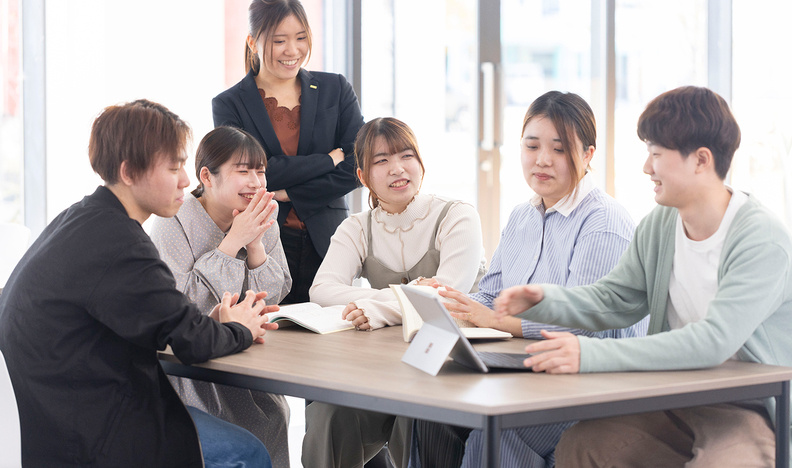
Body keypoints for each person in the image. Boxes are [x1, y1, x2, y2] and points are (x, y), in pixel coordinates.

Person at [495, 86, 790, 467]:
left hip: (748, 407)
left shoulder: (761, 238)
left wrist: (591, 354)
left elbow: (712, 341)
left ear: (701, 160)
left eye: (656, 155)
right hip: (675, 397)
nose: (646, 167)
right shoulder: (661, 223)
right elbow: (617, 298)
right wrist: (545, 301)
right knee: (583, 444)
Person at [0, 100, 275, 467]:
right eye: (174, 167)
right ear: (129, 172)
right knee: (250, 451)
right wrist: (240, 328)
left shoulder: (79, 218)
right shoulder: (120, 243)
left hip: (56, 418)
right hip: (99, 428)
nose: (185, 180)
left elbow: (162, 318)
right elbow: (193, 342)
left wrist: (214, 323)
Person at [414, 91, 648, 468]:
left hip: (590, 383)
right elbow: (491, 296)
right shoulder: (522, 217)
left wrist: (496, 321)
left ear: (588, 155)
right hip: (528, 369)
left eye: (558, 149)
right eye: (532, 145)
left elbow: (587, 327)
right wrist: (449, 299)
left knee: (496, 431)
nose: (542, 159)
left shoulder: (604, 223)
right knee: (429, 411)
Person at [303, 117, 487, 468]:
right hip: (385, 364)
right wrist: (410, 292)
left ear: (420, 163)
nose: (397, 169)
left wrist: (378, 309)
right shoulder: (357, 226)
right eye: (381, 160)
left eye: (406, 156)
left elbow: (448, 297)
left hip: (450, 361)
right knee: (327, 415)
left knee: (413, 414)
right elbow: (322, 290)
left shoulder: (457, 215)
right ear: (362, 177)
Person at [151, 126, 292, 467]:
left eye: (260, 171)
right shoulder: (173, 220)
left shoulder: (263, 218)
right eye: (243, 171)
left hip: (248, 357)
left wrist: (255, 245)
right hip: (192, 367)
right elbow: (183, 307)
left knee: (273, 416)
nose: (256, 182)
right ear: (207, 177)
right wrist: (232, 244)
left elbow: (274, 295)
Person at [213, 0, 365, 305]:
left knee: (334, 342)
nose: (292, 50)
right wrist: (328, 159)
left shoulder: (334, 88)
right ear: (254, 42)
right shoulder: (229, 104)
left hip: (330, 242)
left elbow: (358, 167)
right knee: (271, 341)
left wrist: (291, 192)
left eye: (300, 38)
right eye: (279, 40)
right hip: (262, 246)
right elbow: (248, 177)